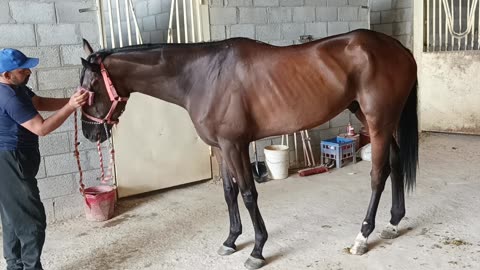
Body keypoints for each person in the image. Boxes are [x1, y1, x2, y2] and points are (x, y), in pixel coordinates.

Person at [0, 48, 89, 270]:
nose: (29, 72)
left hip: (12, 159)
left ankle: (15, 266)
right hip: (11, 160)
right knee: (32, 222)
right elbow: (41, 128)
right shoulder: (9, 97)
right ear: (6, 75)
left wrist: (72, 100)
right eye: (23, 70)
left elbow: (38, 102)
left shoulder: (15, 87)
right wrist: (71, 107)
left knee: (13, 217)